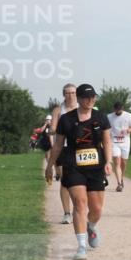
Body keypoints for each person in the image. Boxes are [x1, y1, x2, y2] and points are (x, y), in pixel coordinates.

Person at [45, 84, 112, 260]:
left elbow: (107, 141)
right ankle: (81, 246)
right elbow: (58, 145)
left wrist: (109, 162)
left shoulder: (101, 117)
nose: (90, 100)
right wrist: (50, 165)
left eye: (93, 97)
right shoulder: (66, 119)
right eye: (86, 97)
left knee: (96, 209)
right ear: (79, 99)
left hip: (96, 166)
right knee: (80, 204)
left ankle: (91, 226)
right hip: (73, 165)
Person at [50, 83, 78, 224]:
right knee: (65, 181)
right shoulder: (58, 110)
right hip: (64, 148)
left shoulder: (82, 108)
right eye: (67, 93)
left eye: (73, 92)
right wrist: (54, 129)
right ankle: (67, 213)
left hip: (81, 148)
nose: (70, 95)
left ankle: (78, 210)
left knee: (81, 181)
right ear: (63, 95)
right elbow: (53, 129)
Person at [106, 102, 131, 192]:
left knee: (123, 162)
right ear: (114, 109)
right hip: (114, 141)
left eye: (119, 110)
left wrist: (128, 130)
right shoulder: (109, 117)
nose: (118, 111)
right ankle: (119, 183)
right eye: (116, 110)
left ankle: (121, 178)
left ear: (122, 108)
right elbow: (106, 129)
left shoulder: (128, 116)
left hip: (125, 141)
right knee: (117, 162)